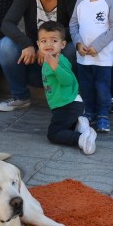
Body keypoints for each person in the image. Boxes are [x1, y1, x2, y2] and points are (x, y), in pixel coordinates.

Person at [0, 0, 79, 113]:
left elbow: (76, 27)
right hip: (35, 63)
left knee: (72, 49)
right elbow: (7, 23)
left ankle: (69, 97)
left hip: (60, 65)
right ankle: (20, 97)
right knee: (5, 45)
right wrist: (27, 44)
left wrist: (49, 48)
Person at [70, 0, 113, 133]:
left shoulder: (111, 3)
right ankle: (89, 112)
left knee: (102, 87)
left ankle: (103, 115)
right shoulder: (80, 3)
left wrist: (97, 46)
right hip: (83, 56)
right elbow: (73, 25)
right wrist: (78, 43)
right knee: (86, 86)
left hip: (102, 57)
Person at [36, 21, 97, 155]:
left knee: (54, 133)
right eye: (44, 41)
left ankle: (82, 138)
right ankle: (79, 126)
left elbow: (68, 80)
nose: (48, 44)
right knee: (63, 126)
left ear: (62, 44)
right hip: (65, 104)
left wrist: (55, 66)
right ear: (38, 44)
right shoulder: (50, 59)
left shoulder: (58, 60)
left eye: (54, 40)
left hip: (69, 105)